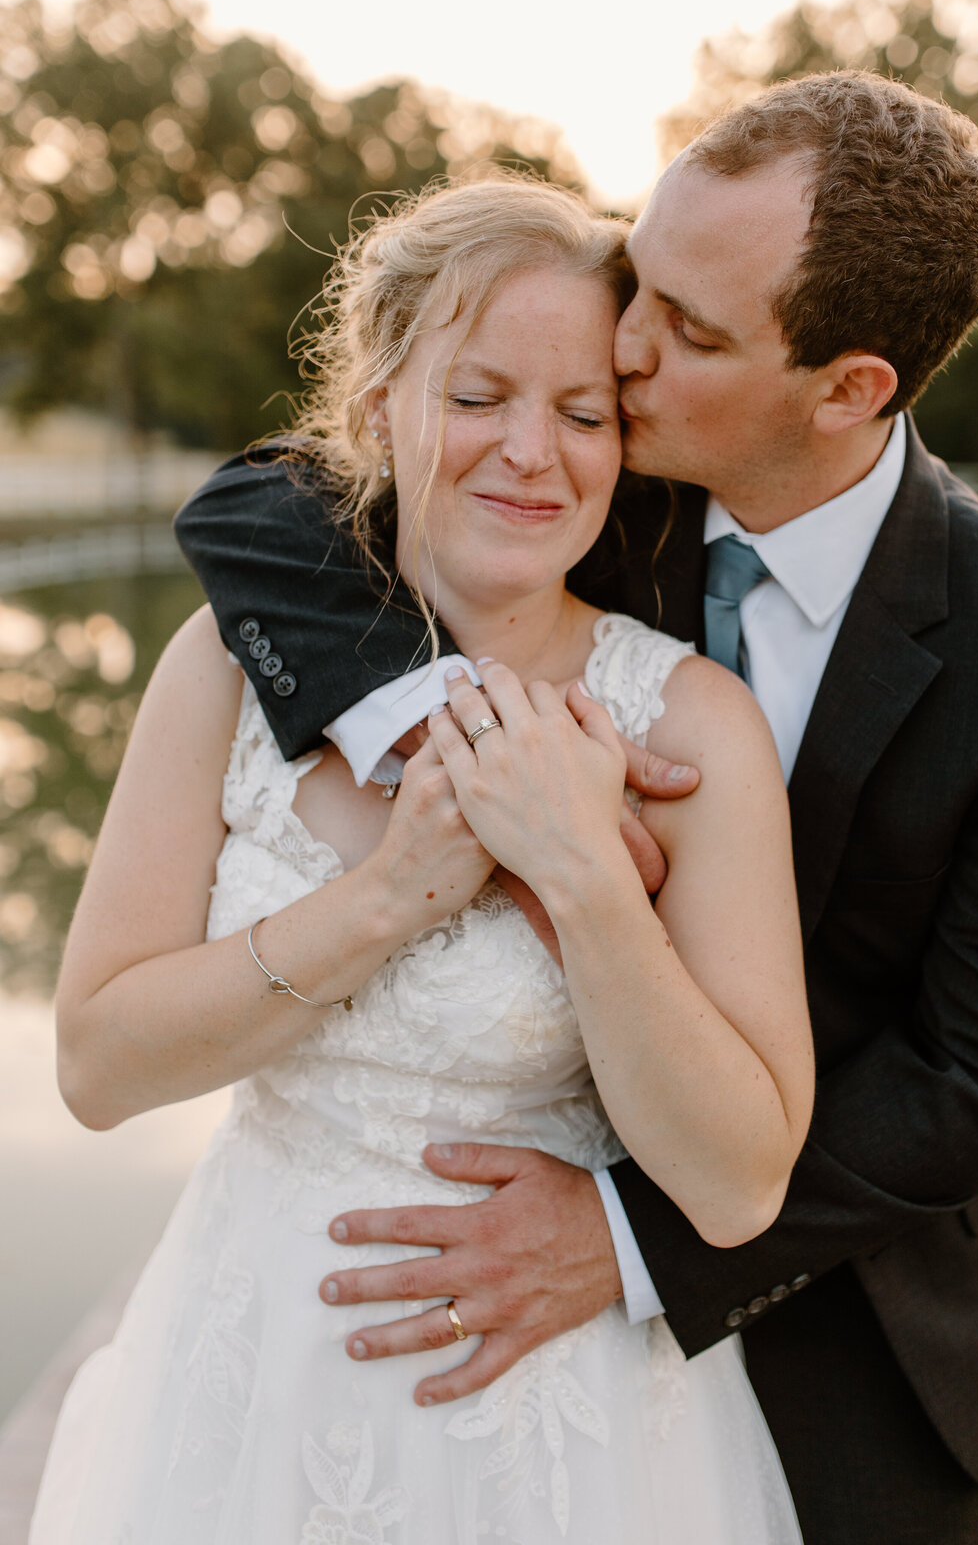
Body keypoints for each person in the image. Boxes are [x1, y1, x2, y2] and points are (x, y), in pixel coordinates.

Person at [173, 71, 978, 1545]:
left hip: (856, 1315)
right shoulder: (583, 470)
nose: (620, 344)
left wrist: (625, 1245)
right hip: (472, 1271)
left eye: (687, 329)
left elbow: (975, 1081)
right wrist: (464, 748)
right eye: (641, 273)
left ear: (847, 389)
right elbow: (256, 503)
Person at [31, 178, 815, 1545]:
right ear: (382, 396)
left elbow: (739, 1183)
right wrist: (392, 895)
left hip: (552, 1433)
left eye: (582, 415)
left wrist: (577, 872)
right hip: (244, 1385)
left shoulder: (691, 727)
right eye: (477, 395)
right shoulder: (224, 663)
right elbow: (98, 1067)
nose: (531, 452)